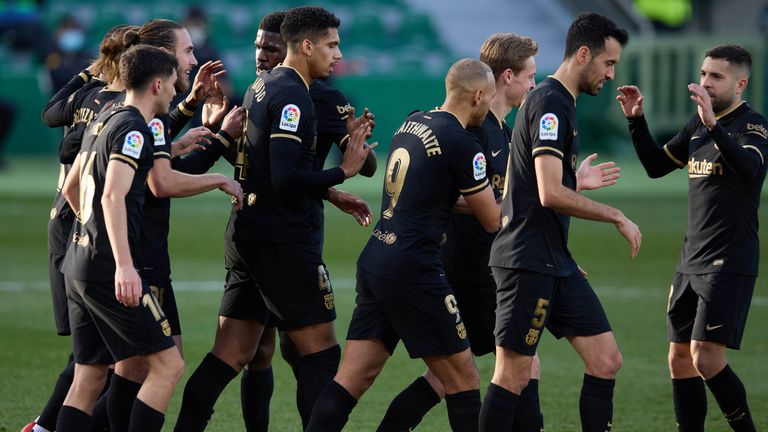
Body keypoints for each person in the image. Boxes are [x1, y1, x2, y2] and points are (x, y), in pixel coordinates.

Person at [174, 7, 375, 430]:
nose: (338, 55)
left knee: (231, 354)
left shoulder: (260, 89)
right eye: (332, 45)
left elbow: (260, 167)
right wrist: (345, 171)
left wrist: (339, 178)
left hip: (249, 231)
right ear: (305, 46)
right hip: (284, 238)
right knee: (320, 355)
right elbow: (284, 178)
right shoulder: (293, 97)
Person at [305, 58, 500, 432]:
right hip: (414, 269)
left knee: (351, 381)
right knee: (464, 380)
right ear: (477, 96)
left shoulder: (413, 121)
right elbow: (492, 221)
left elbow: (429, 196)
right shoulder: (463, 143)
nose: (490, 106)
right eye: (489, 98)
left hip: (379, 257)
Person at [375, 33, 548, 432]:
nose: (535, 85)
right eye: (530, 76)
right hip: (472, 265)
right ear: (506, 77)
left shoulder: (502, 130)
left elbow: (503, 197)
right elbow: (456, 194)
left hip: (479, 262)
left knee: (447, 378)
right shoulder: (474, 129)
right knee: (520, 361)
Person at [480, 13, 639, 432]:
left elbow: (531, 186)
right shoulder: (550, 102)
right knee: (513, 374)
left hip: (554, 260)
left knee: (606, 360)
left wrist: (575, 183)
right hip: (526, 261)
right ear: (583, 54)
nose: (610, 74)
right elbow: (549, 194)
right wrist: (615, 215)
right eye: (608, 64)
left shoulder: (559, 103)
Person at [236, 11, 377, 431]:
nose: (262, 55)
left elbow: (365, 165)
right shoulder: (266, 89)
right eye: (258, 46)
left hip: (296, 226)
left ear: (296, 47)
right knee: (266, 350)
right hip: (278, 233)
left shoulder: (324, 97)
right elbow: (262, 165)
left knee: (293, 350)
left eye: (271, 47)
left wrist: (355, 144)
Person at [617, 44, 765, 432]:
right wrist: (636, 121)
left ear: (741, 83)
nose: (705, 82)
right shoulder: (698, 124)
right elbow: (655, 166)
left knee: (706, 358)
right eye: (703, 74)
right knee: (679, 358)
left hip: (729, 260)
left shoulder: (753, 126)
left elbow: (750, 170)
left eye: (716, 76)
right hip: (690, 259)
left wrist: (715, 125)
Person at [56, 44, 182, 432]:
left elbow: (73, 188)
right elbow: (111, 194)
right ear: (158, 85)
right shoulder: (134, 129)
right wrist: (124, 264)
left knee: (88, 376)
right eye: (175, 84)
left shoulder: (105, 115)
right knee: (167, 365)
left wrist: (86, 230)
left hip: (76, 264)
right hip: (108, 269)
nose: (177, 92)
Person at [24, 25, 139, 432]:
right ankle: (44, 427)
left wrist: (88, 74)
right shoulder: (119, 106)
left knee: (94, 355)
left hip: (69, 220)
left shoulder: (93, 97)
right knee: (94, 357)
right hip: (85, 228)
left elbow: (54, 116)